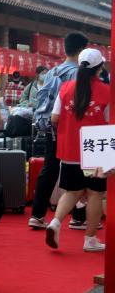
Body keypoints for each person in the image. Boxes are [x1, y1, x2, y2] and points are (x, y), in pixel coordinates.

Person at [44, 48, 109, 253]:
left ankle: (55, 223)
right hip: (97, 146)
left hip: (71, 146)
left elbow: (54, 118)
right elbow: (110, 120)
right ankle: (90, 239)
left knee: (72, 191)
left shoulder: (66, 88)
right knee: (95, 193)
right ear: (100, 68)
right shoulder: (107, 91)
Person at [28, 31, 90, 230]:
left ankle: (37, 214)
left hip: (49, 126)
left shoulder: (52, 72)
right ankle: (78, 217)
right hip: (69, 128)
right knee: (80, 168)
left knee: (50, 167)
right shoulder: (78, 73)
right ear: (81, 50)